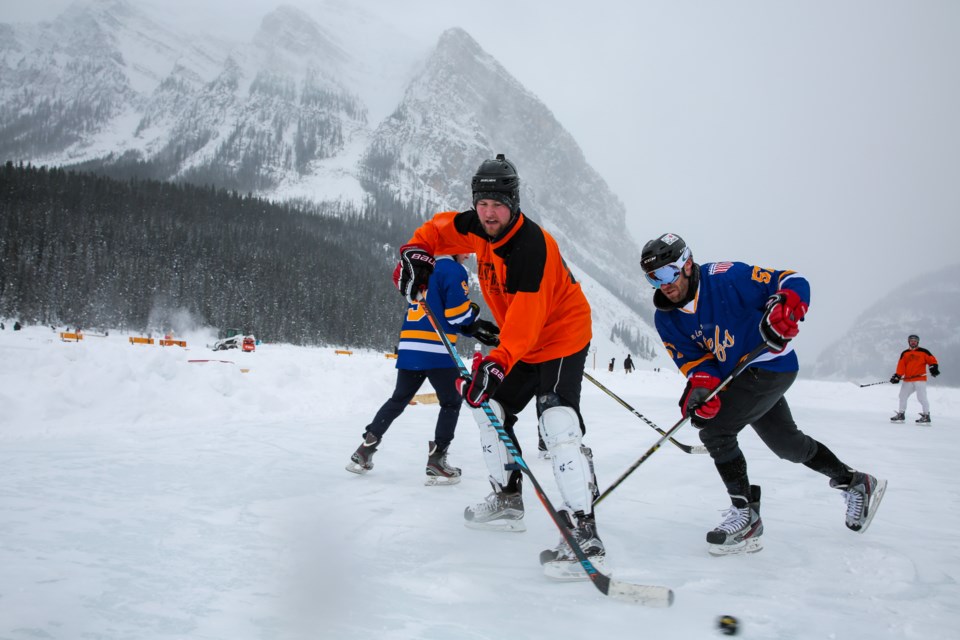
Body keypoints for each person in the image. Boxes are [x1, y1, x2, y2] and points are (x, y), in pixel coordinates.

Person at [393, 153, 602, 579]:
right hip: (518, 338)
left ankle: (585, 532)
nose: (489, 213)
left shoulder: (533, 248)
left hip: (559, 335)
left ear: (515, 204)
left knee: (557, 420)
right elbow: (435, 231)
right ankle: (507, 498)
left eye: (498, 205)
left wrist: (498, 361)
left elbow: (526, 324)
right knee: (490, 411)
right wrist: (415, 252)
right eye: (482, 203)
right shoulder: (476, 226)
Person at [640, 232, 886, 556]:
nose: (664, 283)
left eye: (669, 272)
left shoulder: (728, 277)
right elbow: (697, 362)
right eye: (653, 277)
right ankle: (854, 482)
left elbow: (792, 280)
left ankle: (746, 516)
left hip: (771, 366)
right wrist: (701, 389)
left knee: (716, 430)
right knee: (788, 445)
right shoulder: (666, 318)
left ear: (687, 264)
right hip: (739, 376)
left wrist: (788, 306)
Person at [347, 254, 500, 484]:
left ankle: (364, 450)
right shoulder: (453, 269)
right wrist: (475, 319)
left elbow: (438, 309)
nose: (469, 254)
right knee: (451, 401)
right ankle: (437, 461)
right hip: (436, 348)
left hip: (410, 346)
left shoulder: (422, 266)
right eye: (465, 248)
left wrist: (472, 327)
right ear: (455, 247)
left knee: (398, 399)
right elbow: (457, 315)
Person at [889, 334, 939, 425]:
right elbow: (901, 366)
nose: (913, 342)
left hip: (919, 379)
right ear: (909, 342)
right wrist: (897, 376)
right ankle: (901, 414)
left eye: (915, 341)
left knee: (921, 398)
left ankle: (926, 415)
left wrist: (933, 368)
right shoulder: (905, 353)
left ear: (917, 342)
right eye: (911, 341)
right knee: (902, 396)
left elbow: (932, 360)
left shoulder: (924, 352)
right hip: (908, 380)